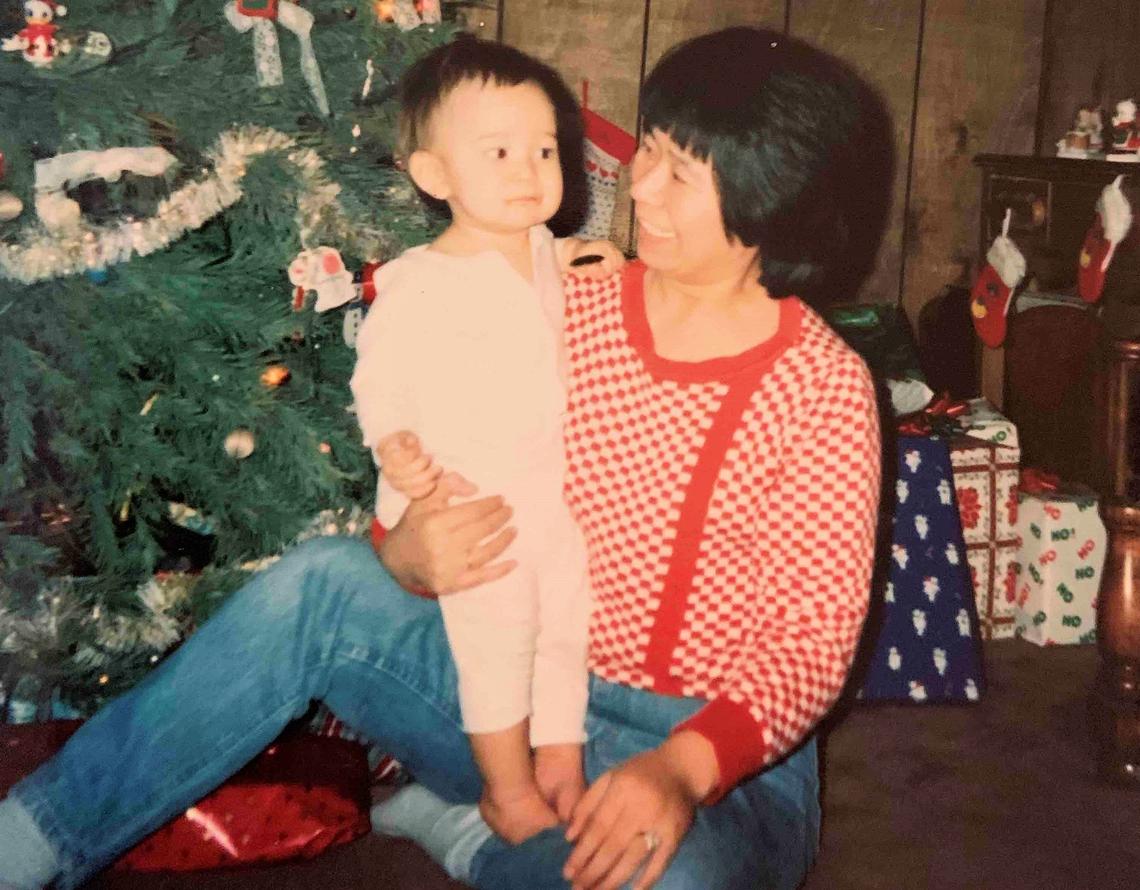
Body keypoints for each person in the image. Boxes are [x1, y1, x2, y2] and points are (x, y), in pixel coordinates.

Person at [0, 25, 890, 890]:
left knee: (673, 878)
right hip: (526, 706)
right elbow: (444, 457)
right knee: (324, 580)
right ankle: (35, 835)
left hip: (719, 756)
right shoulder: (568, 305)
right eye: (646, 151)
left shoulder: (822, 386)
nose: (640, 188)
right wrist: (403, 551)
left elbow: (810, 644)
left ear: (771, 203)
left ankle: (469, 834)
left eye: (681, 174)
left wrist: (682, 773)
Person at [351, 37, 621, 845]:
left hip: (550, 485)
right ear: (434, 176)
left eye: (544, 150)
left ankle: (561, 762)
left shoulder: (543, 249)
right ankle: (505, 788)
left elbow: (555, 273)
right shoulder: (421, 281)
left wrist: (590, 258)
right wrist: (393, 443)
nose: (527, 169)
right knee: (499, 638)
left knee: (570, 622)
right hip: (467, 498)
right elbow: (380, 378)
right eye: (498, 151)